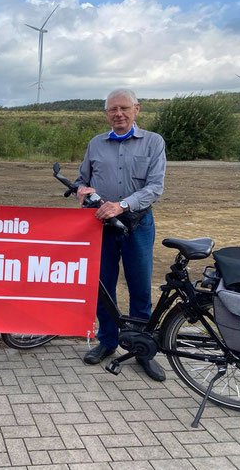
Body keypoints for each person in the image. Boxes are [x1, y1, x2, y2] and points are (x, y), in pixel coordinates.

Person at [74, 88, 167, 381]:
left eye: (124, 108)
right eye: (113, 109)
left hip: (137, 224)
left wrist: (122, 205)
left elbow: (155, 188)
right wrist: (81, 189)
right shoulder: (95, 144)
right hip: (101, 227)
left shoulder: (153, 143)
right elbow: (81, 179)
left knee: (140, 287)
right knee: (103, 286)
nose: (119, 114)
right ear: (106, 114)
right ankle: (107, 341)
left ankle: (142, 349)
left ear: (137, 109)